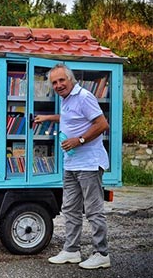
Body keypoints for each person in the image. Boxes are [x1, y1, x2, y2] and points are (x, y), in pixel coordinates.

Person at [34, 63, 111, 270]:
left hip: (89, 163)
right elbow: (70, 118)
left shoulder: (84, 96)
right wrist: (48, 117)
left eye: (62, 80)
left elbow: (102, 124)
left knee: (93, 210)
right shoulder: (66, 99)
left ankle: (101, 253)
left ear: (71, 80)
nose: (58, 85)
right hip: (72, 163)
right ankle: (71, 250)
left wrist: (80, 140)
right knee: (70, 208)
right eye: (54, 82)